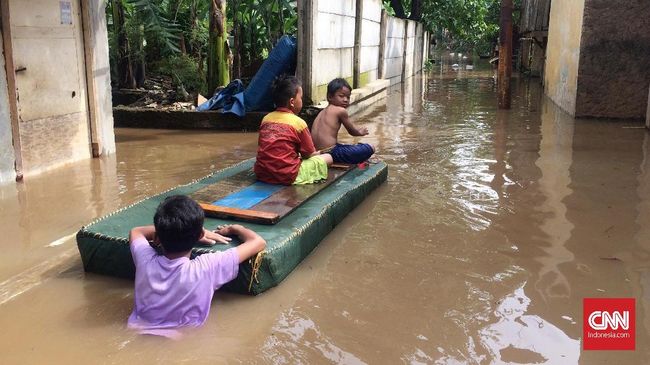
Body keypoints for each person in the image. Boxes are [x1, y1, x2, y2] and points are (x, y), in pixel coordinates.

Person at [127, 195, 266, 338]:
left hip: (137, 332)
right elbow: (258, 242)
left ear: (156, 237)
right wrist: (235, 228)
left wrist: (163, 231)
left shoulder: (145, 261)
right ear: (200, 235)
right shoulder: (207, 266)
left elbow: (136, 232)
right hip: (182, 340)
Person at [254, 75, 333, 185]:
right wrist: (319, 153)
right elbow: (309, 155)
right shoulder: (299, 123)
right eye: (300, 98)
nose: (302, 101)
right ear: (292, 102)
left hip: (262, 174)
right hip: (288, 175)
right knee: (328, 158)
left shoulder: (266, 119)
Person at [311, 78, 375, 164]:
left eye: (348, 97)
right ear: (330, 97)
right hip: (330, 153)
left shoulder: (321, 112)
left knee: (344, 145)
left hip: (317, 151)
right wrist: (360, 132)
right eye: (341, 96)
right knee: (370, 147)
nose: (345, 100)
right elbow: (352, 132)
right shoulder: (340, 111)